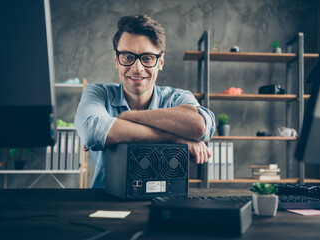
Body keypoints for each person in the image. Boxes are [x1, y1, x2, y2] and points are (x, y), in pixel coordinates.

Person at [74, 15, 215, 188]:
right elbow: (91, 131)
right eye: (127, 57)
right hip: (106, 201)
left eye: (147, 58)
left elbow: (200, 126)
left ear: (160, 62)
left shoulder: (177, 98)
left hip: (165, 202)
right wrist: (176, 138)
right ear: (116, 60)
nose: (137, 68)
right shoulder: (98, 93)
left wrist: (127, 117)